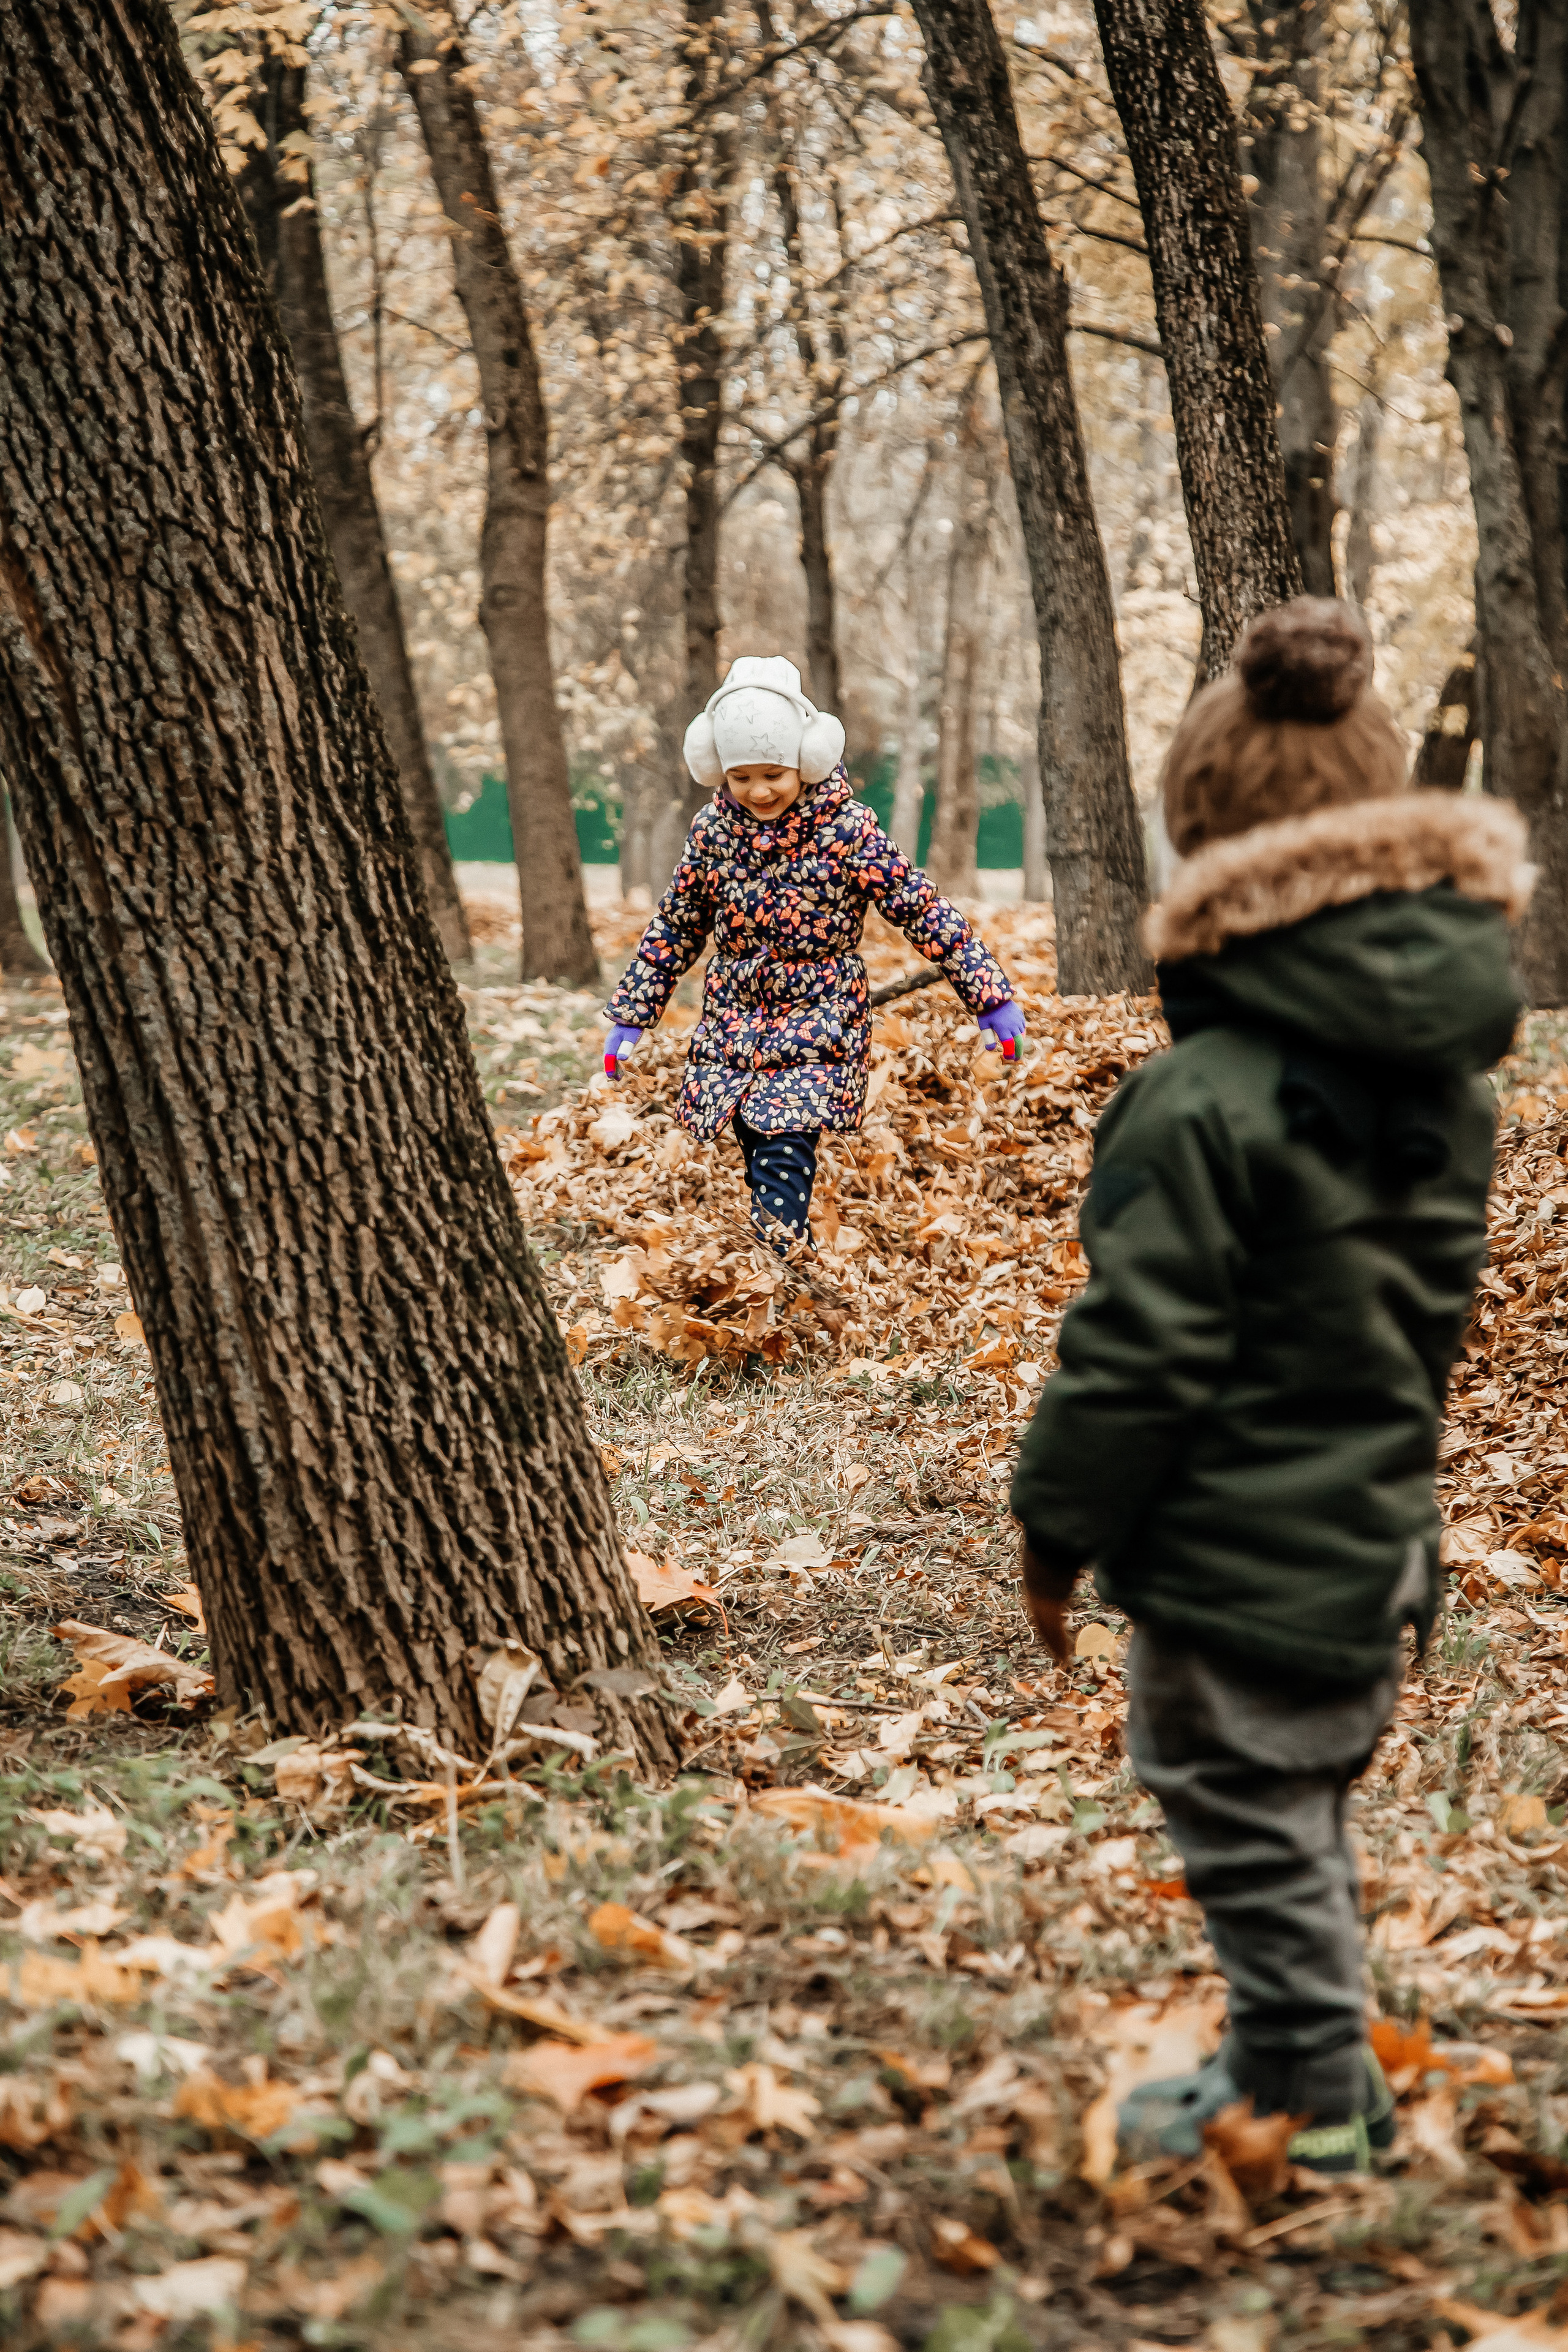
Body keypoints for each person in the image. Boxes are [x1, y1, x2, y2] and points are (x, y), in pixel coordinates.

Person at [1010, 598, 1532, 2176]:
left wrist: (1053, 1522)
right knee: (1287, 1804)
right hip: (1373, 1527)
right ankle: (1289, 2052)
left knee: (1233, 1808)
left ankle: (1310, 2098)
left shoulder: (1199, 1098)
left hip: (1237, 1546)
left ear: (1200, 839)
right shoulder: (1444, 1090)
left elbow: (1139, 1345)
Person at [603, 656, 1025, 1250]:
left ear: (805, 759)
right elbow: (676, 926)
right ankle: (779, 1256)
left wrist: (988, 996)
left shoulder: (847, 830)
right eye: (740, 777)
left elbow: (918, 905)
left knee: (784, 1142)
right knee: (754, 1132)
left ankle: (779, 1266)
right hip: (734, 1020)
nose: (758, 791)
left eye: (772, 773)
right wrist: (631, 1015)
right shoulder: (712, 833)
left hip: (819, 1016)